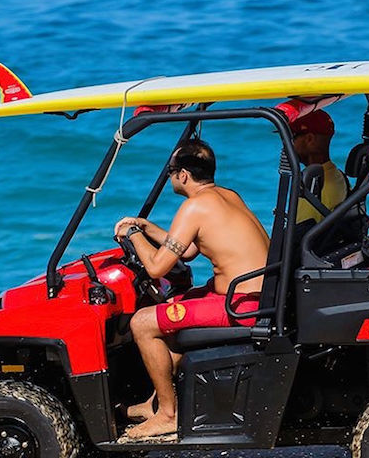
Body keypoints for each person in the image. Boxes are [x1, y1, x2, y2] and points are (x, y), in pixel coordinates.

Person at [113, 139, 270, 439]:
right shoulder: (226, 195)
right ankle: (156, 402)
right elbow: (186, 251)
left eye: (171, 171)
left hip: (241, 304)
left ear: (182, 175)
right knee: (176, 304)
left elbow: (157, 268)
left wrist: (133, 235)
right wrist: (147, 228)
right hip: (254, 295)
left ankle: (168, 415)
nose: (171, 177)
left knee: (143, 322)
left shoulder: (194, 206)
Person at [291, 110, 348, 225]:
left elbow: (297, 237)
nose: (286, 144)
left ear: (310, 139)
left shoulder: (312, 188)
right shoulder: (338, 176)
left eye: (292, 138)